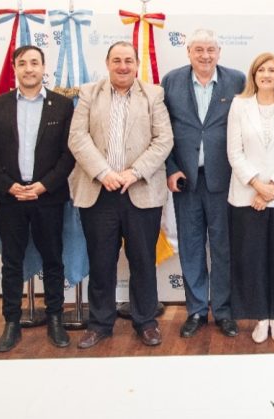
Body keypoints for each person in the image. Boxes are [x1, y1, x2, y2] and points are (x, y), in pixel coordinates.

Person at [69, 42, 173, 348]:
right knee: (101, 261)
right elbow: (77, 137)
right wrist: (104, 173)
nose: (123, 66)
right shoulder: (90, 93)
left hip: (140, 190)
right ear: (107, 63)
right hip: (99, 191)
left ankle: (146, 321)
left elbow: (164, 139)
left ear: (136, 63)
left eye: (129, 60)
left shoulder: (153, 94)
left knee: (142, 260)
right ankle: (100, 323)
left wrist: (134, 172)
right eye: (117, 60)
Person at [0, 45, 76, 352]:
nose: (30, 68)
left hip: (47, 196)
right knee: (12, 261)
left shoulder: (62, 105)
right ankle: (11, 321)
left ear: (43, 67)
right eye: (23, 63)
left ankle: (55, 319)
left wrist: (43, 186)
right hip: (11, 197)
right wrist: (9, 186)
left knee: (53, 259)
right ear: (15, 68)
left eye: (35, 63)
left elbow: (68, 154)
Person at [161, 29, 245, 338]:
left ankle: (223, 311)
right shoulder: (171, 82)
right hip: (186, 182)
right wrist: (170, 169)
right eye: (199, 50)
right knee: (192, 247)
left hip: (224, 181)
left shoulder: (237, 81)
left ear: (219, 52)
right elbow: (163, 130)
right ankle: (196, 310)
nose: (205, 55)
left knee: (223, 248)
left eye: (210, 49)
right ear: (189, 52)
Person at [226, 52, 274, 344]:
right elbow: (235, 152)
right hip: (247, 196)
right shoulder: (239, 104)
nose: (266, 75)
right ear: (254, 75)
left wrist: (271, 188)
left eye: (272, 70)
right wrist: (258, 185)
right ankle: (260, 317)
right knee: (252, 258)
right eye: (261, 70)